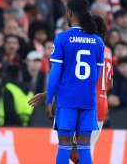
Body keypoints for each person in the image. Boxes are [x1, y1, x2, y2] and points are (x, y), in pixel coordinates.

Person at [28, 15, 113, 163]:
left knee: (68, 148)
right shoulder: (107, 51)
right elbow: (109, 83)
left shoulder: (86, 48)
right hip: (101, 106)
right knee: (81, 150)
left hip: (79, 102)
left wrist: (47, 95)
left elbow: (74, 80)